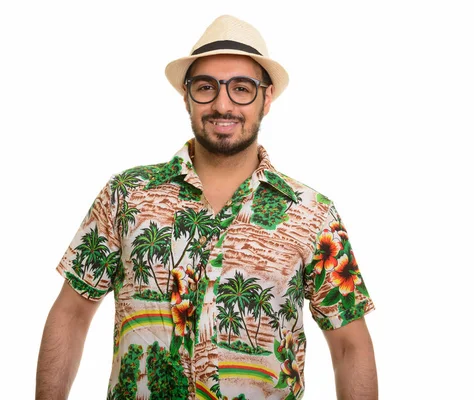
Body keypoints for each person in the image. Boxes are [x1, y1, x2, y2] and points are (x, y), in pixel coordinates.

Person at [36, 14, 377, 400]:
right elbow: (71, 312)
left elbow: (350, 345)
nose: (222, 103)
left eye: (241, 88)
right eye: (206, 87)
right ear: (186, 96)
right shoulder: (126, 194)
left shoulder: (313, 214)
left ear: (267, 98)